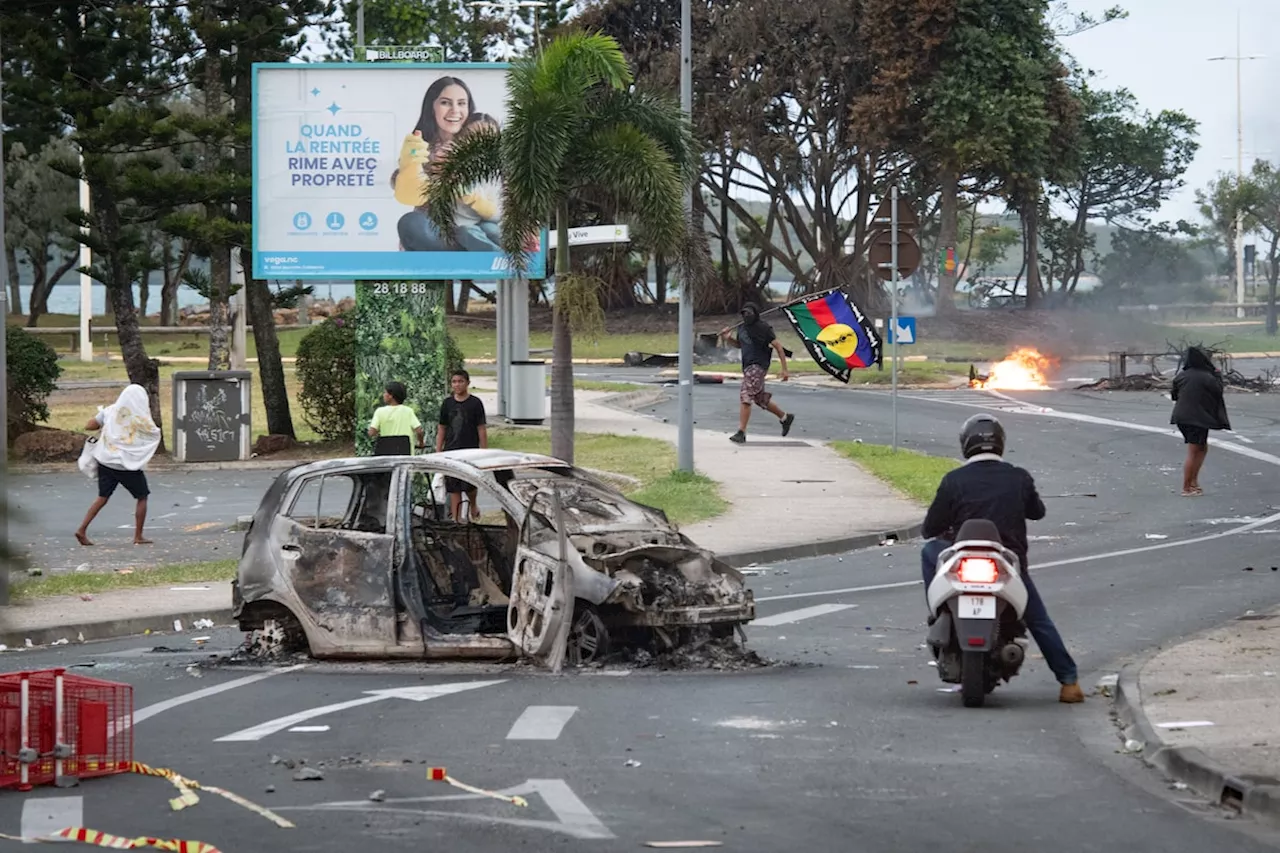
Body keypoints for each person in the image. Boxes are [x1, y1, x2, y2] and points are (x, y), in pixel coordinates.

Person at [920, 413, 1085, 704]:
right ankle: (1069, 682)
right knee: (1037, 619)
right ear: (1000, 444)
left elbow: (929, 529)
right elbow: (1038, 512)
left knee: (929, 552)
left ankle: (938, 609)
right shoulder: (1018, 477)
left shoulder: (954, 480)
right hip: (1008, 566)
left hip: (962, 566)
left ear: (965, 445)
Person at [392, 76, 477, 251]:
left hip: (474, 228)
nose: (455, 111)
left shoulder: (480, 143)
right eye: (446, 103)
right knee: (411, 223)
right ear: (432, 107)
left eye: (462, 103)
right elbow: (402, 184)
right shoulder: (420, 146)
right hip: (434, 232)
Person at [75, 384, 162, 547]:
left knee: (102, 497)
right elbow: (151, 434)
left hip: (105, 460)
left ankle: (82, 529)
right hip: (127, 465)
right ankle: (138, 535)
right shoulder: (140, 418)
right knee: (142, 496)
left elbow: (90, 425)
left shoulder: (110, 411)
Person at [718, 302, 795, 444]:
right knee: (759, 398)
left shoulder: (764, 328)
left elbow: (778, 346)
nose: (747, 316)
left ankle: (741, 432)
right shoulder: (741, 327)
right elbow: (741, 345)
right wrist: (728, 338)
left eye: (749, 313)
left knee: (746, 395)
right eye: (744, 313)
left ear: (755, 314)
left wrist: (784, 369)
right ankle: (785, 417)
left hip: (758, 365)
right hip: (747, 366)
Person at [1170, 346, 1230, 497]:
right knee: (1194, 450)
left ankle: (1194, 482)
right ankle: (1186, 487)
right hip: (1197, 418)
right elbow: (1218, 391)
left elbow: (1174, 396)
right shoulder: (1207, 376)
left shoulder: (1181, 376)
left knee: (1201, 448)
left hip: (1182, 417)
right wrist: (1217, 375)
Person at [436, 369, 488, 520]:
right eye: (454, 382)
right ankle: (457, 520)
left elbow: (481, 428)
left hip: (470, 450)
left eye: (460, 381)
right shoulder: (447, 403)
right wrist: (439, 449)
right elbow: (442, 427)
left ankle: (473, 504)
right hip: (451, 450)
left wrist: (484, 452)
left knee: (470, 484)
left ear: (467, 383)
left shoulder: (475, 403)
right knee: (453, 487)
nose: (457, 385)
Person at [368, 381, 426, 454]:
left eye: (385, 392)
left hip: (386, 455)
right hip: (406, 454)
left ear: (391, 395)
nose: (383, 395)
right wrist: (421, 443)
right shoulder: (408, 411)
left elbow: (371, 433)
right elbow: (419, 431)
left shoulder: (379, 412)